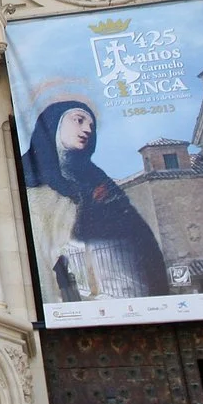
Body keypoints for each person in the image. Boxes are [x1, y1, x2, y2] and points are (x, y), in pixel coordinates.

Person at [21, 101, 172, 300]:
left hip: (119, 289)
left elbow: (138, 234)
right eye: (79, 120)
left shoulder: (97, 179)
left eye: (91, 126)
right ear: (53, 124)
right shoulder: (27, 178)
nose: (87, 129)